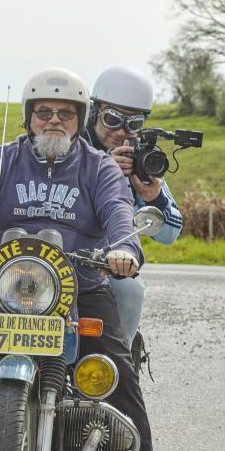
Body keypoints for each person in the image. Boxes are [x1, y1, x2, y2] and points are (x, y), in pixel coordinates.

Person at [0, 68, 154, 451]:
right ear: (29, 117)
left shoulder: (100, 167)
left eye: (65, 113)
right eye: (44, 111)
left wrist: (124, 249)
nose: (54, 121)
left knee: (120, 382)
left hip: (80, 287)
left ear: (80, 119)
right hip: (0, 290)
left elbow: (118, 211)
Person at [85, 65, 183, 349]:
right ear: (94, 113)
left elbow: (170, 234)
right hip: (63, 252)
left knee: (130, 290)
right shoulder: (74, 147)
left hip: (110, 262)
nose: (122, 132)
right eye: (113, 118)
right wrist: (101, 171)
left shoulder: (140, 160)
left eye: (134, 123)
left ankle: (120, 364)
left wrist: (154, 197)